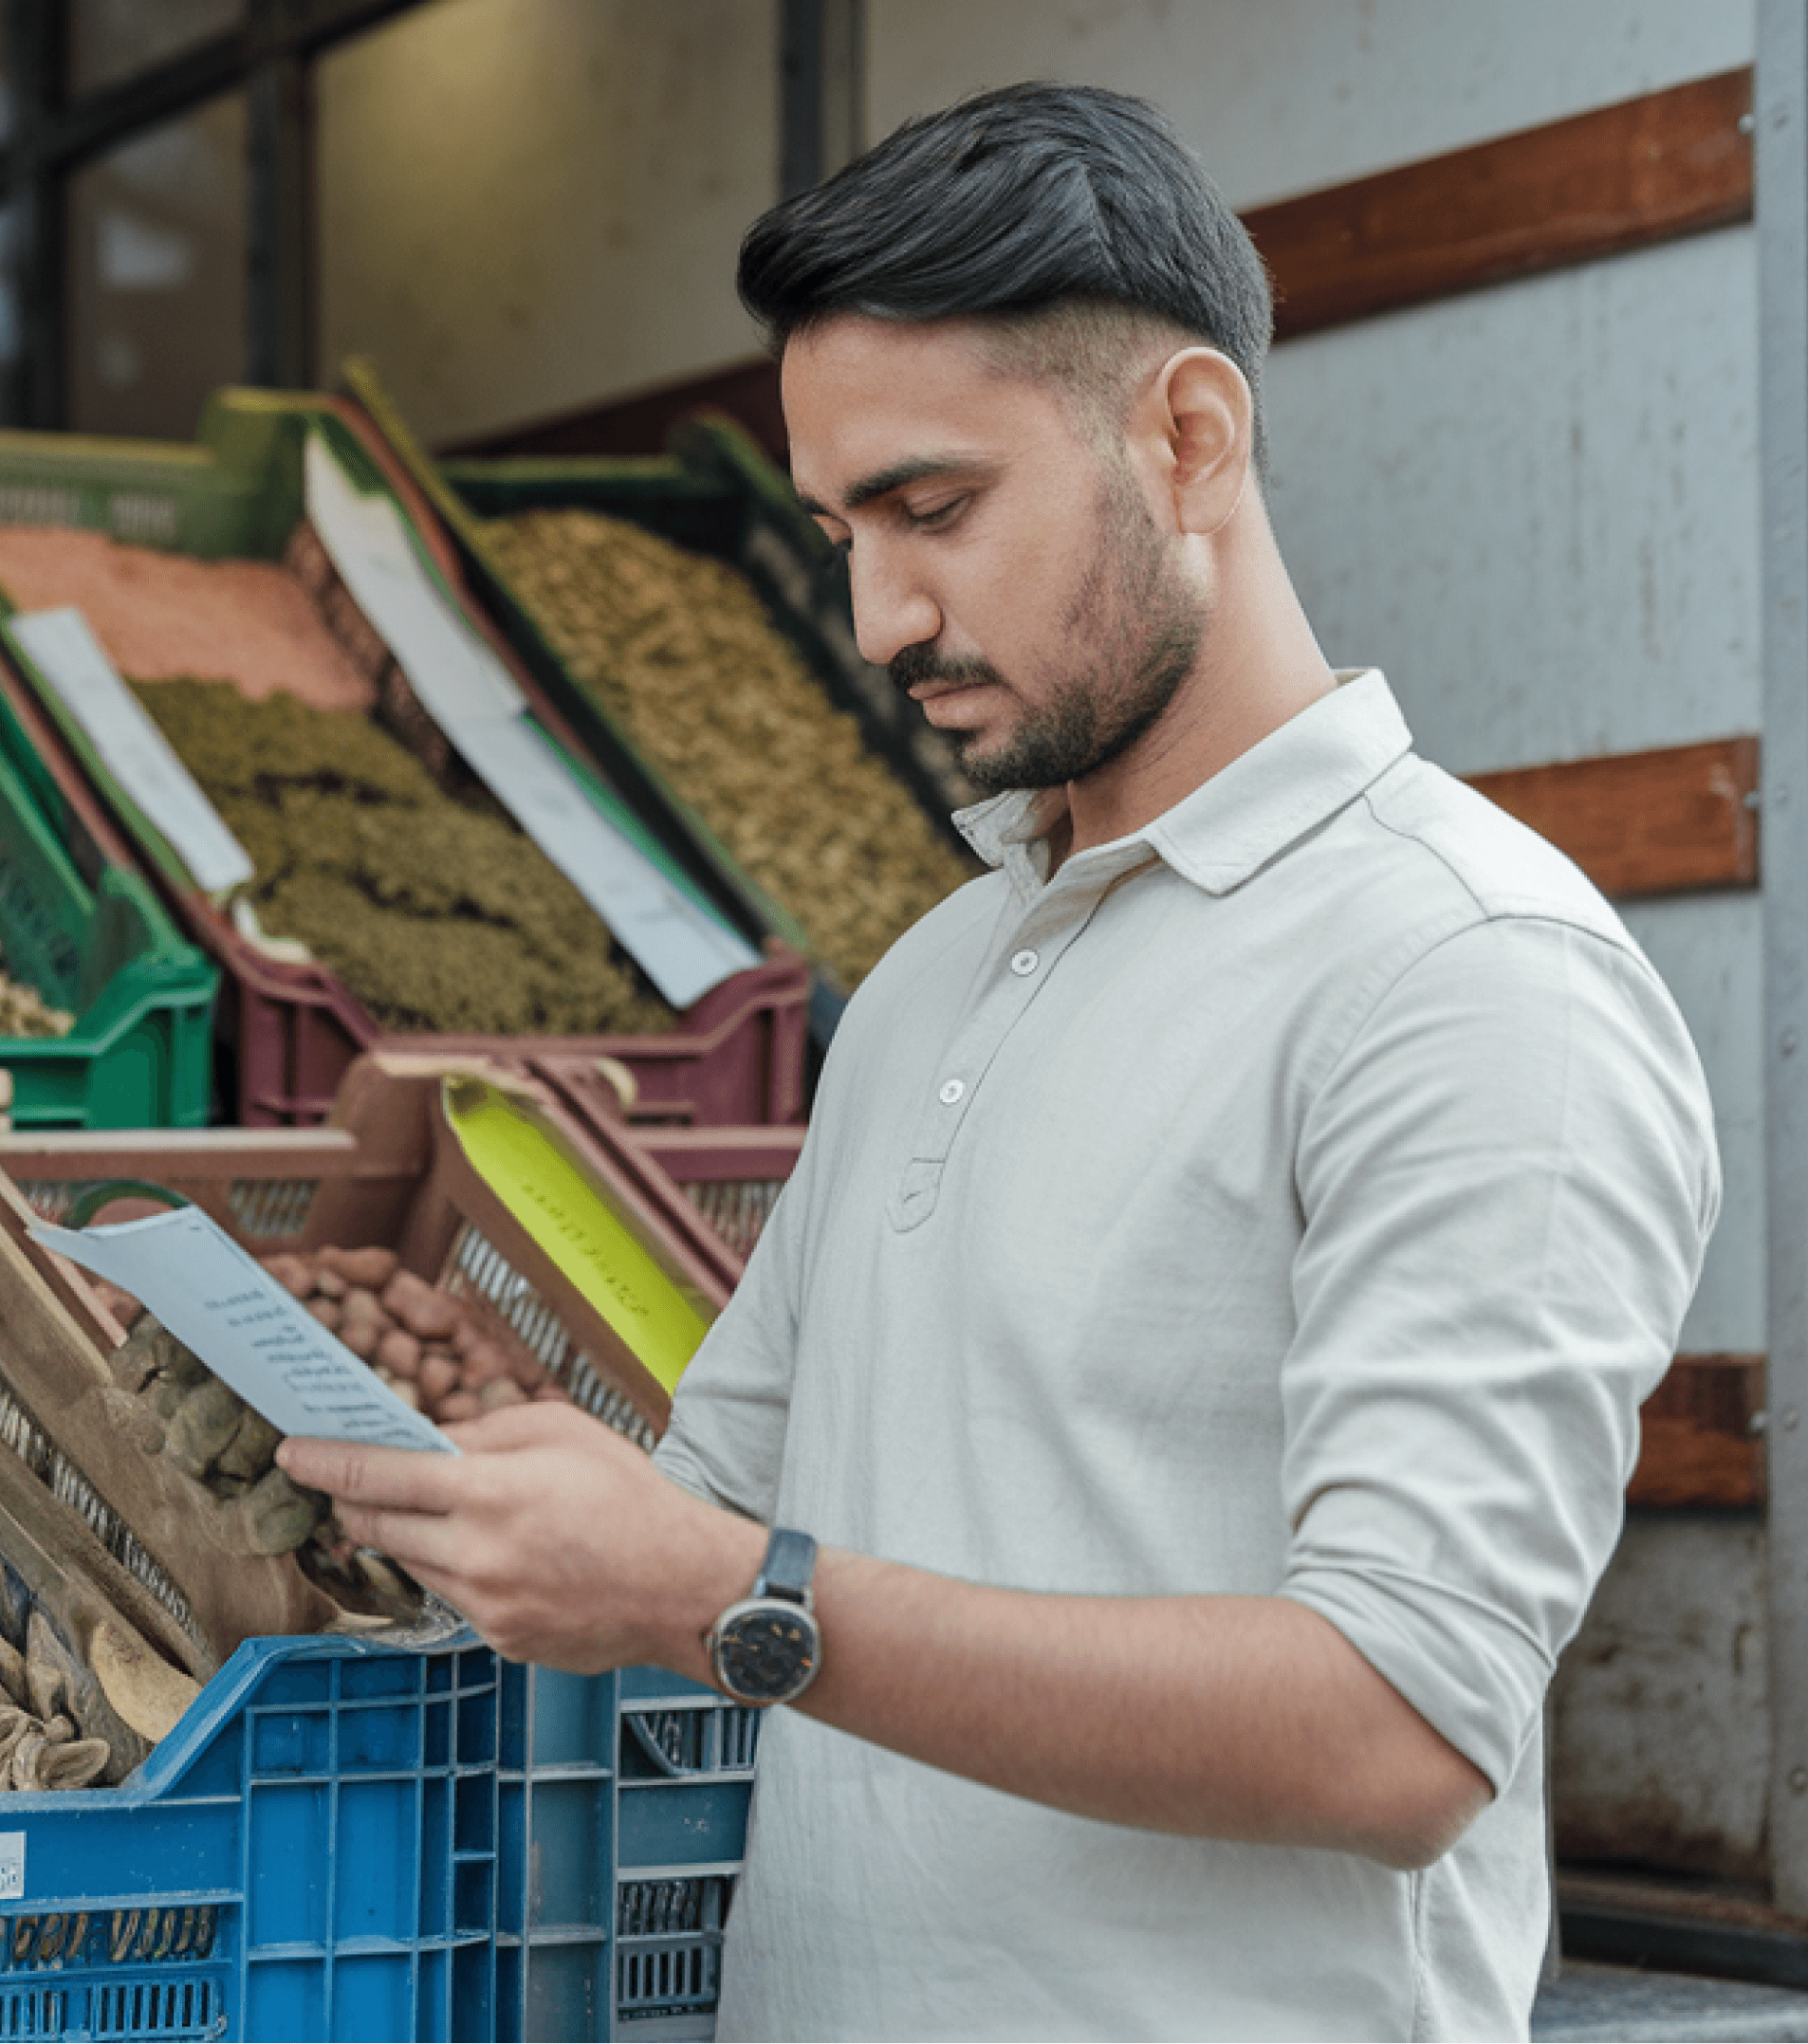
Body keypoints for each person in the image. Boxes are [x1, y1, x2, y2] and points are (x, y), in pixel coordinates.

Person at [277, 80, 1718, 2043]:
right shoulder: (946, 971)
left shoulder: (1472, 977)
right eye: (838, 530)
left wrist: (721, 1593)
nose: (879, 615)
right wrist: (486, 1494)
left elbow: (1400, 1728)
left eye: (934, 510)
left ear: (1188, 438)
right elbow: (723, 1502)